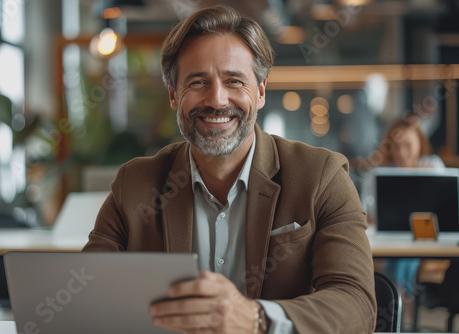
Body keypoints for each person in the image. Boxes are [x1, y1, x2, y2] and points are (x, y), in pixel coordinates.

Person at [83, 5, 376, 333]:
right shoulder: (134, 183)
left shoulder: (322, 176)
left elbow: (356, 305)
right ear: (173, 95)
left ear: (260, 92)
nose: (217, 99)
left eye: (234, 81)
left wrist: (255, 319)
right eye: (198, 82)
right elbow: (86, 293)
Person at [360, 115, 445, 295]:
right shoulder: (377, 174)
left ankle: (397, 300)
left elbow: (444, 211)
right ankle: (398, 300)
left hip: (425, 239)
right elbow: (366, 215)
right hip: (390, 241)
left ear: (420, 144)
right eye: (396, 146)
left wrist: (422, 180)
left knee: (404, 256)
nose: (401, 153)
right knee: (396, 255)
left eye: (408, 145)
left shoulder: (432, 166)